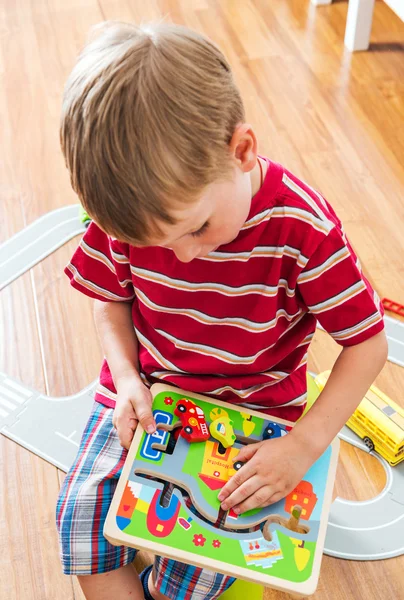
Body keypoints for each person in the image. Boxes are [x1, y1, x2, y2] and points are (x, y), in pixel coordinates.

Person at [56, 20, 388, 600]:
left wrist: (303, 445)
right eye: (158, 245)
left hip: (250, 414)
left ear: (242, 151)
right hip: (147, 394)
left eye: (196, 229)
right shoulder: (139, 212)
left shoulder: (304, 229)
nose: (182, 257)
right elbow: (110, 296)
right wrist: (129, 377)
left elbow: (367, 343)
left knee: (192, 573)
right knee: (79, 520)